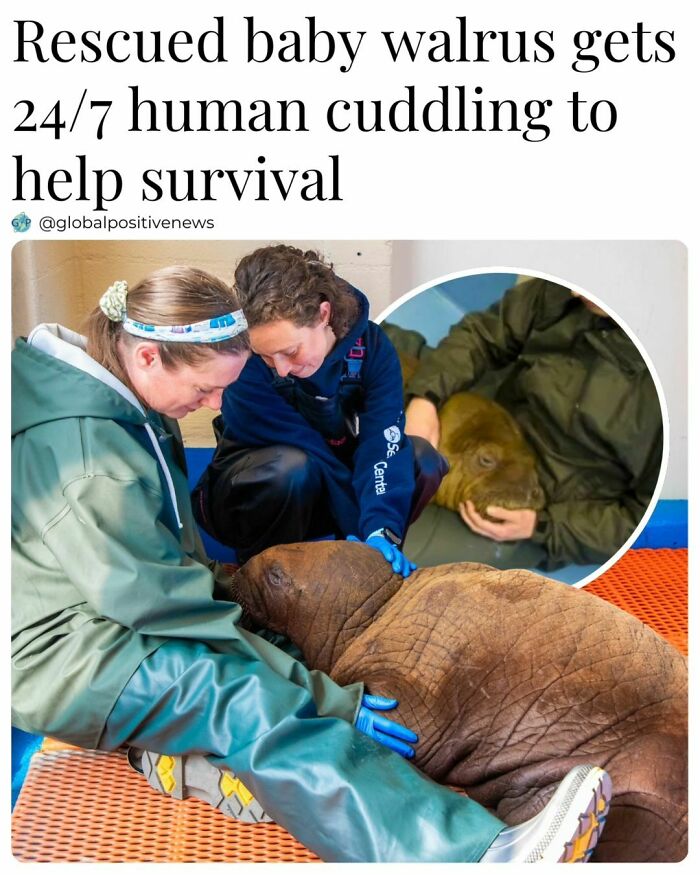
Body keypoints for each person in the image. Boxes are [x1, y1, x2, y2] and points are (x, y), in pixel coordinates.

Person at [12, 266, 611, 863]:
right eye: (204, 392)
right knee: (236, 693)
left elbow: (156, 572)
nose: (215, 406)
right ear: (148, 358)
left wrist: (375, 529)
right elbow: (165, 610)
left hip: (104, 608)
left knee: (272, 647)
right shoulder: (93, 464)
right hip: (64, 655)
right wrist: (327, 699)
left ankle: (185, 758)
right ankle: (468, 855)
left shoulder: (121, 399)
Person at [194, 244, 447, 579]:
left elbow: (381, 444)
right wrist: (360, 524)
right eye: (268, 357)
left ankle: (374, 561)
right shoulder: (243, 364)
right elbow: (312, 452)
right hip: (254, 494)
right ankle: (265, 580)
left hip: (326, 488)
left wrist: (380, 531)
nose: (280, 369)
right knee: (293, 467)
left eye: (290, 351)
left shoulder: (373, 349)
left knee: (421, 459)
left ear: (323, 315)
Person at [402, 277, 663, 570]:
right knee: (376, 341)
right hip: (495, 416)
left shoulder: (671, 395)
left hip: (538, 503)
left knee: (395, 546)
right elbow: (484, 335)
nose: (576, 291)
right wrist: (424, 398)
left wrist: (542, 527)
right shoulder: (565, 290)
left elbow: (641, 516)